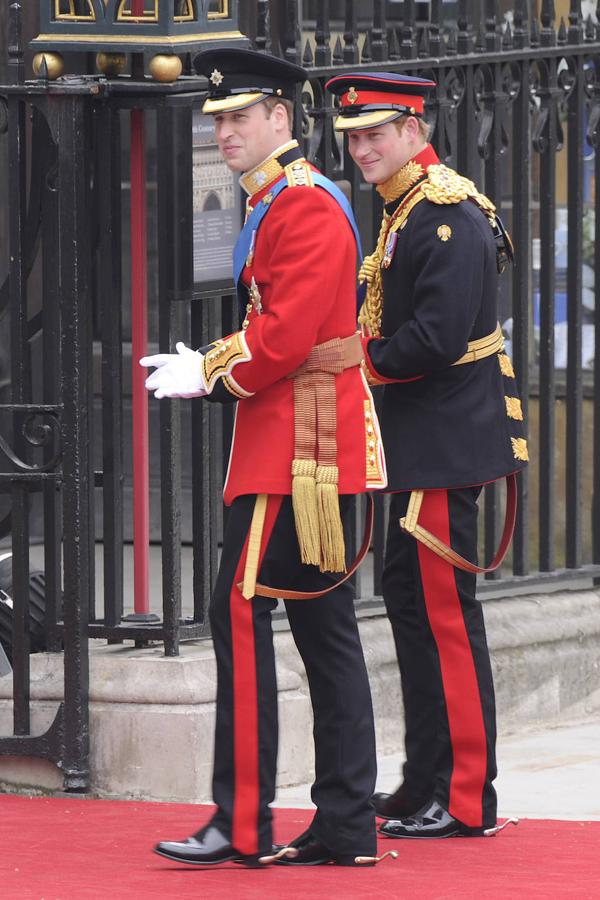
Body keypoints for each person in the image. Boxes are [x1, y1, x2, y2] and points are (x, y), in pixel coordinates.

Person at [140, 49, 390, 868]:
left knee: (241, 613)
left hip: (300, 453)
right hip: (295, 445)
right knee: (323, 630)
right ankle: (346, 821)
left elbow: (282, 340)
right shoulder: (279, 201)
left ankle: (243, 820)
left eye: (238, 116)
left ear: (281, 118)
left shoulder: (305, 206)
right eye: (218, 119)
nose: (225, 130)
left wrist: (205, 370)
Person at [325, 71, 528, 839]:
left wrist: (354, 360)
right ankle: (424, 779)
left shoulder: (443, 212)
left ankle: (468, 796)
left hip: (444, 445)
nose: (363, 147)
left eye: (377, 132)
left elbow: (436, 340)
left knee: (444, 619)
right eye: (354, 136)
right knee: (410, 611)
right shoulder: (406, 208)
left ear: (415, 129)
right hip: (417, 443)